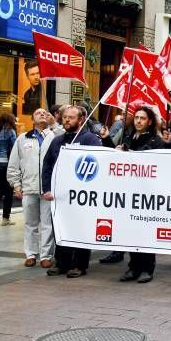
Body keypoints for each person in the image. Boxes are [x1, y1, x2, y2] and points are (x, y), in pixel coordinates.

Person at [41, 105, 103, 278]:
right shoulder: (57, 140)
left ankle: (79, 265)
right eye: (65, 117)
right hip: (59, 196)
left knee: (81, 229)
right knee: (61, 229)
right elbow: (47, 166)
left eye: (71, 117)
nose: (67, 120)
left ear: (80, 120)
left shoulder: (90, 140)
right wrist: (46, 189)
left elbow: (99, 165)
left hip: (82, 196)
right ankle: (61, 263)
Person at [114, 107, 164, 284]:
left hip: (147, 193)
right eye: (136, 118)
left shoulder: (155, 141)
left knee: (145, 231)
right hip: (129, 192)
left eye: (143, 118)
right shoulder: (127, 138)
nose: (138, 121)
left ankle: (147, 268)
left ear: (149, 122)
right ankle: (133, 267)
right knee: (131, 231)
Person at [7, 108, 55, 267]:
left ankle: (46, 255)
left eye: (44, 113)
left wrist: (54, 123)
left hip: (48, 189)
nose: (42, 114)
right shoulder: (22, 139)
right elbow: (14, 164)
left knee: (48, 224)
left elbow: (68, 137)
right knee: (30, 223)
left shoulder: (54, 136)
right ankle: (30, 254)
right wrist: (16, 184)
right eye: (38, 113)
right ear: (32, 120)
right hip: (29, 187)